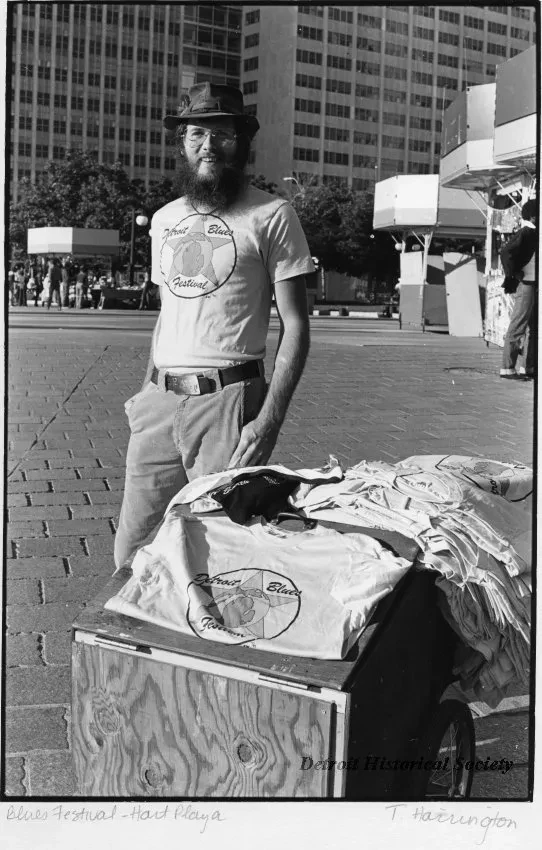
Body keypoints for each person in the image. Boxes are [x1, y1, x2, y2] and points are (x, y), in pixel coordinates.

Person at [114, 82, 314, 570]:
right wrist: (145, 392)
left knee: (220, 550)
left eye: (222, 135)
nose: (209, 145)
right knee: (133, 551)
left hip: (229, 402)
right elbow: (170, 312)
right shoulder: (165, 219)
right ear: (182, 143)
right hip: (159, 404)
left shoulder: (272, 214)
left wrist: (268, 419)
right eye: (197, 133)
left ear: (241, 143)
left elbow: (296, 325)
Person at [500, 199, 538, 380]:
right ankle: (507, 368)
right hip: (526, 285)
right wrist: (515, 273)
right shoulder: (527, 232)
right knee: (519, 325)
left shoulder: (534, 233)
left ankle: (527, 367)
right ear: (533, 216)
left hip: (533, 284)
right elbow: (506, 252)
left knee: (533, 328)